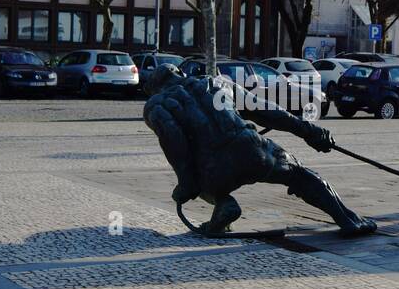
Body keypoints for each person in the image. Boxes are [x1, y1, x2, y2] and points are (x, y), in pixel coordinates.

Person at [143, 64, 377, 237]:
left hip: (214, 169)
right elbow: (265, 110)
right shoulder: (216, 83)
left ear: (154, 89)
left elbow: (173, 139)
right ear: (181, 74)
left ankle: (223, 203)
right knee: (298, 174)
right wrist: (309, 131)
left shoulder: (157, 104)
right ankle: (347, 219)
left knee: (199, 183)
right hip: (251, 148)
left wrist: (185, 183)